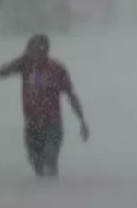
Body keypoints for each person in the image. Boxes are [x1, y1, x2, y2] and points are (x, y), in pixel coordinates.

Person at [0, 34, 89, 177]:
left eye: (35, 49)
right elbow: (3, 71)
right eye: (29, 49)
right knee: (37, 165)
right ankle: (44, 195)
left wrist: (82, 120)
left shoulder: (57, 70)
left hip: (52, 124)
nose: (30, 53)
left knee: (50, 161)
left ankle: (53, 193)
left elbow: (71, 95)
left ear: (45, 51)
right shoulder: (24, 64)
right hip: (32, 124)